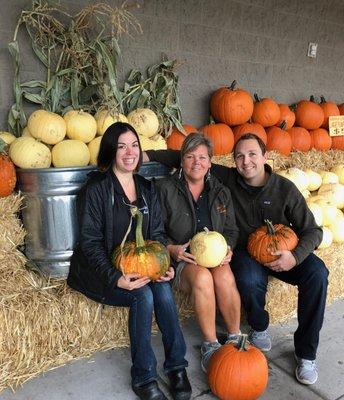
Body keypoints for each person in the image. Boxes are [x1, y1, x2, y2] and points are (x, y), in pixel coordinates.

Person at [144, 133, 328, 386]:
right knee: (246, 277)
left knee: (318, 274)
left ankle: (305, 354)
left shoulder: (283, 189)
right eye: (239, 156)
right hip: (237, 254)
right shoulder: (226, 178)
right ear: (232, 161)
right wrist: (145, 155)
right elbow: (186, 156)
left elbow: (314, 231)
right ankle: (251, 329)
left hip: (283, 253)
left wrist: (294, 257)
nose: (246, 161)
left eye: (252, 154)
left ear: (265, 157)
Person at [67, 122, 191, 400]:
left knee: (161, 287)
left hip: (141, 266)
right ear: (111, 151)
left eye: (134, 145)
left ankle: (177, 367)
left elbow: (157, 234)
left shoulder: (147, 188)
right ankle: (144, 376)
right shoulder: (97, 189)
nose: (129, 152)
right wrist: (116, 278)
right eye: (121, 146)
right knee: (143, 297)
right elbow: (89, 243)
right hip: (103, 273)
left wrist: (165, 266)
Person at [155, 132, 241, 373]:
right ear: (181, 160)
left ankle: (235, 337)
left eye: (202, 157)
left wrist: (229, 250)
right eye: (190, 157)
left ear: (210, 162)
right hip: (184, 259)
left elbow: (232, 230)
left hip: (214, 257)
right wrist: (171, 249)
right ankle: (210, 344)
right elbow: (155, 231)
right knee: (203, 276)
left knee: (224, 276)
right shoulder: (164, 189)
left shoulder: (221, 191)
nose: (196, 163)